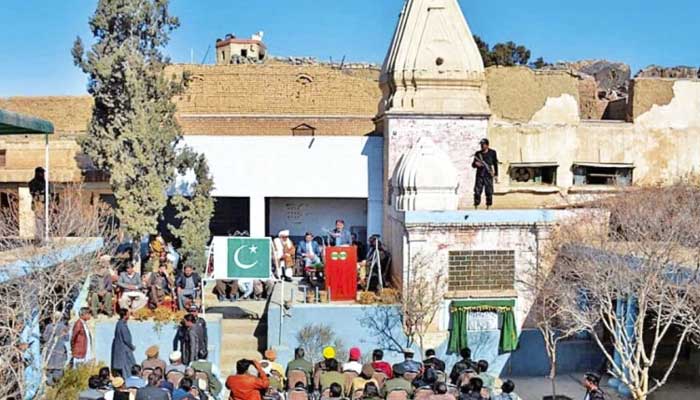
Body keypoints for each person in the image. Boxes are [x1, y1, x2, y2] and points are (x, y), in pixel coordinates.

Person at [42, 312, 69, 386]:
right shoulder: (64, 327)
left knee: (49, 371)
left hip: (49, 352)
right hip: (59, 352)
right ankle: (56, 386)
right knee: (58, 371)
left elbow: (44, 338)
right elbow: (67, 338)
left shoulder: (48, 327)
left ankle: (50, 385)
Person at [472, 138, 499, 210]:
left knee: (489, 191)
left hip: (488, 175)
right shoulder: (478, 154)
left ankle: (488, 206)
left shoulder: (492, 152)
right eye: (481, 144)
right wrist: (476, 164)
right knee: (477, 191)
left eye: (483, 144)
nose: (481, 146)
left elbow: (495, 164)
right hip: (480, 175)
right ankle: (476, 206)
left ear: (487, 145)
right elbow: (473, 165)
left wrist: (496, 175)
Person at [111, 309, 137, 378]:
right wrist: (132, 346)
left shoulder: (119, 324)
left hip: (121, 351)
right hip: (124, 351)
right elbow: (126, 339)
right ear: (125, 315)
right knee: (127, 368)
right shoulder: (122, 325)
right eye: (128, 314)